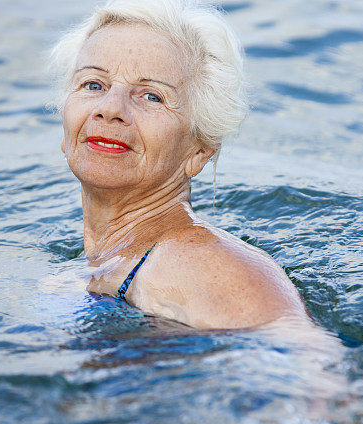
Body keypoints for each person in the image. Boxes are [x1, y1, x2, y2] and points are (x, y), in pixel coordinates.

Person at [49, 0, 311, 329]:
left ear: (198, 151)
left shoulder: (198, 262)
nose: (109, 107)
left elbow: (315, 369)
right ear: (65, 127)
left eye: (151, 96)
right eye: (93, 84)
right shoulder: (85, 268)